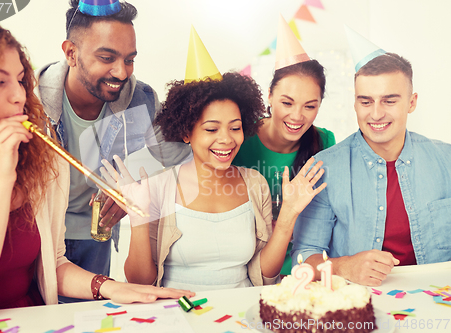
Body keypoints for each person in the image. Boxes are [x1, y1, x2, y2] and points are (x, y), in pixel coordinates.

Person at [0, 24, 194, 323]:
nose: (20, 96)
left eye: (20, 79)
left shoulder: (42, 162)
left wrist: (110, 287)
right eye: (0, 82)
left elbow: (51, 265)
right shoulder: (10, 172)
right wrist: (2, 180)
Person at [102, 66, 327, 290]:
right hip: (178, 315)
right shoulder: (159, 187)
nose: (226, 140)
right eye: (211, 130)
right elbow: (140, 283)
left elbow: (264, 275)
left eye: (235, 128)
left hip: (240, 314)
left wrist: (288, 215)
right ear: (186, 133)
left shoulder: (256, 184)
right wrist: (138, 219)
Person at [35, 0, 191, 281]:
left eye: (129, 59)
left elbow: (174, 150)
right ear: (71, 53)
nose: (122, 72)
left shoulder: (140, 99)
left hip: (96, 238)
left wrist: (127, 185)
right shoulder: (30, 100)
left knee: (88, 320)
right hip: (38, 237)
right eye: (107, 58)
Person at [291, 29, 451, 287]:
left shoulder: (447, 160)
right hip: (359, 305)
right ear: (355, 104)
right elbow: (302, 258)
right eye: (366, 102)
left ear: (411, 103)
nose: (376, 114)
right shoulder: (324, 168)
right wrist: (343, 266)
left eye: (389, 101)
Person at [232, 16, 335, 276]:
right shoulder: (238, 139)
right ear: (269, 95)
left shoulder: (325, 143)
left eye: (310, 106)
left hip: (304, 269)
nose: (297, 116)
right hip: (246, 271)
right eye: (287, 103)